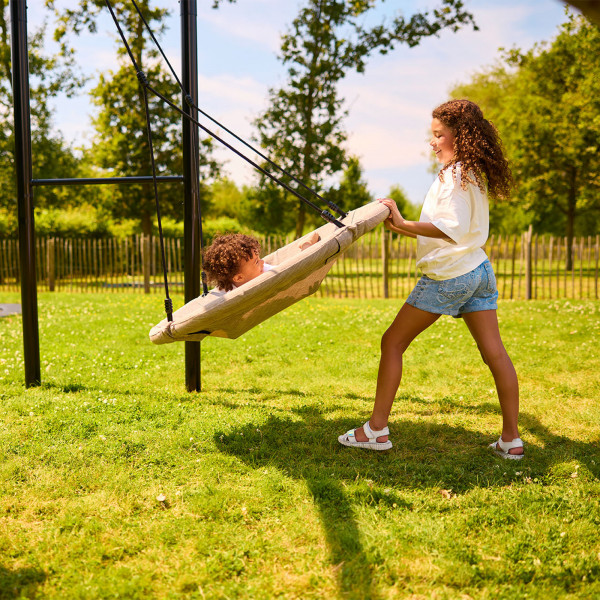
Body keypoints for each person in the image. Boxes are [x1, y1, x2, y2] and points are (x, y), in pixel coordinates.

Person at [338, 99, 523, 460]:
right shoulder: (471, 172)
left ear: (460, 135)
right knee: (495, 353)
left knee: (392, 342)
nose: (433, 142)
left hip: (449, 276)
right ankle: (511, 439)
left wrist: (404, 223)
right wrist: (402, 227)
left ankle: (375, 431)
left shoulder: (455, 175)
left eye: (439, 135)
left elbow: (448, 229)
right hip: (478, 270)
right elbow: (453, 232)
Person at [203, 231, 320, 294]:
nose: (263, 262)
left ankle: (306, 245)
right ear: (238, 278)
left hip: (283, 276)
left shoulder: (266, 273)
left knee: (302, 263)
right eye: (256, 262)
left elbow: (298, 268)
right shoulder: (227, 294)